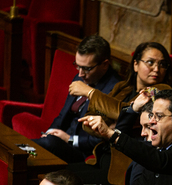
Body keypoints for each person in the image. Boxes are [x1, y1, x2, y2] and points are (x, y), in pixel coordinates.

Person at [67, 42, 172, 185]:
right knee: (58, 176)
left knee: (65, 184)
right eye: (150, 62)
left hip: (123, 166)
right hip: (102, 156)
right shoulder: (122, 87)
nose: (157, 69)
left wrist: (90, 92)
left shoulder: (161, 91)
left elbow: (121, 112)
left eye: (162, 64)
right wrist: (108, 127)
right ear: (136, 65)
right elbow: (90, 117)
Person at [32, 35, 121, 163]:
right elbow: (63, 115)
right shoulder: (80, 78)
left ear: (105, 64)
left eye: (86, 68)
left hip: (84, 152)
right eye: (77, 66)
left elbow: (103, 137)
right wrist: (49, 131)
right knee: (44, 143)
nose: (80, 74)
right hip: (60, 142)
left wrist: (69, 138)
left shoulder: (115, 89)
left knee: (46, 144)